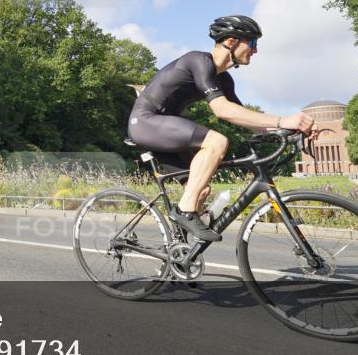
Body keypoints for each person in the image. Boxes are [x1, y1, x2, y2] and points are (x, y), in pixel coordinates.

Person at [128, 15, 316, 241]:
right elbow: (222, 110)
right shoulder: (198, 61)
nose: (255, 50)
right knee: (217, 142)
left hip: (166, 131)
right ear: (231, 41)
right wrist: (283, 120)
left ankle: (180, 255)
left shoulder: (225, 80)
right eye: (252, 43)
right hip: (146, 122)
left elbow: (245, 119)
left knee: (200, 189)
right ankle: (185, 211)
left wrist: (289, 131)